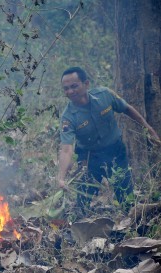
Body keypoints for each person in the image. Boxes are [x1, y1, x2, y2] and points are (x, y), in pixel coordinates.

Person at [57, 67, 160, 210]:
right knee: (83, 204)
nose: (70, 92)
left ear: (86, 84)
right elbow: (66, 149)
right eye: (66, 89)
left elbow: (127, 109)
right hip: (89, 158)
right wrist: (61, 178)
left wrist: (149, 130)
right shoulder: (68, 117)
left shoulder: (104, 95)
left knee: (126, 198)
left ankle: (130, 225)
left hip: (116, 152)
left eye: (74, 86)